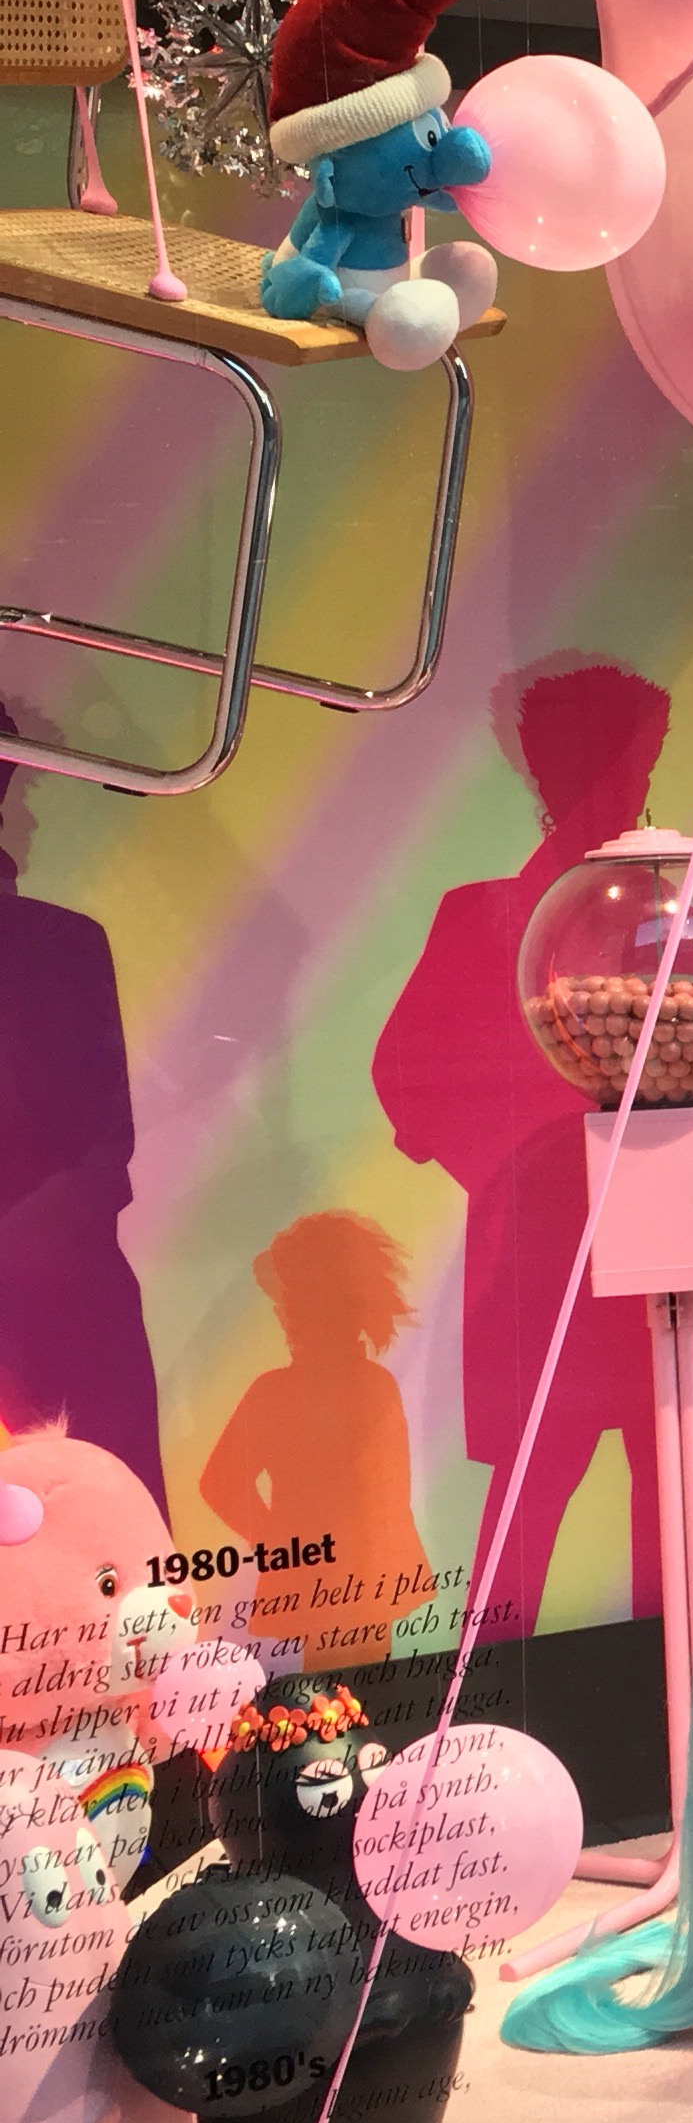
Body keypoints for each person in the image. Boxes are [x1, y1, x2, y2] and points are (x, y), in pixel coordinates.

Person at [372, 657, 693, 1640]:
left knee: (671, 1478)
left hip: (665, 1224)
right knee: (532, 1485)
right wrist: (526, 1165)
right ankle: (489, 1688)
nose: (626, 787)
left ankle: (670, 1680)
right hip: (542, 1251)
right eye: (604, 764)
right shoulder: (485, 914)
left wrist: (685, 1104)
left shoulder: (682, 909)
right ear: (547, 773)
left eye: (640, 765)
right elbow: (407, 1080)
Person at [0, 715, 164, 1500]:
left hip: (65, 1291)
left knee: (109, 1524)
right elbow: (106, 1150)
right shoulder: (64, 943)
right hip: (67, 1285)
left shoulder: (62, 944)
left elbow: (106, 1148)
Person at [197, 1212, 431, 1669]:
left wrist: (285, 1546)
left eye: (288, 1300)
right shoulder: (373, 1385)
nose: (279, 1311)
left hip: (346, 1585)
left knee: (342, 1688)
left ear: (312, 1308)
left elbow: (219, 1483)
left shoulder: (280, 1392)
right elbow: (221, 1483)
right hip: (362, 1585)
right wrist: (283, 1545)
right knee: (358, 1687)